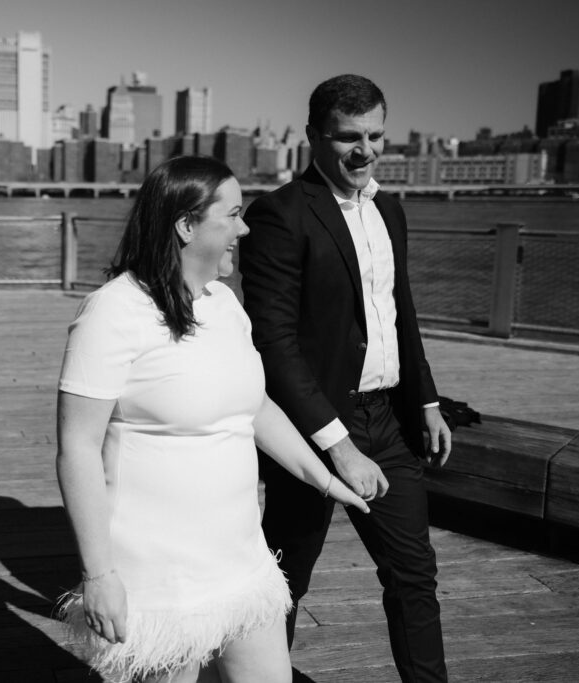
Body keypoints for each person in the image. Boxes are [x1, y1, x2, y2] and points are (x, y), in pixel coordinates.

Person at [55, 155, 370, 683]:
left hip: (241, 562)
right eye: (233, 215)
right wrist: (99, 575)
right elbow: (77, 448)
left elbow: (254, 407)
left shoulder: (225, 303)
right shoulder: (112, 312)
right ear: (186, 225)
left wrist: (324, 479)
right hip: (160, 580)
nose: (244, 228)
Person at [239, 74, 453, 682]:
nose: (365, 151)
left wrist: (429, 400)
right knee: (284, 577)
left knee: (414, 574)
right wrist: (338, 446)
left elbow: (397, 312)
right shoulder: (280, 216)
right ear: (313, 136)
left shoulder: (390, 208)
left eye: (376, 135)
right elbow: (274, 345)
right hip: (314, 429)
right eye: (348, 137)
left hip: (389, 419)